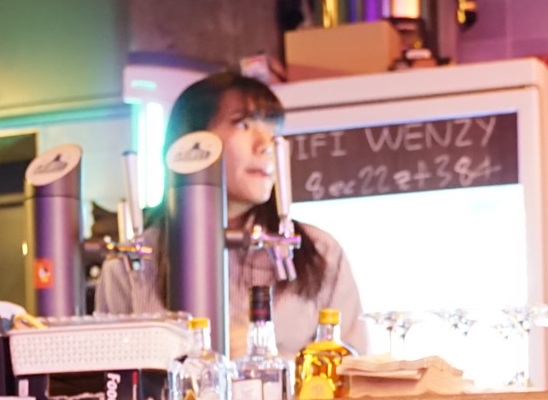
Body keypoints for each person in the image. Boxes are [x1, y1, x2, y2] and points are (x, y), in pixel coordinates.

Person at [96, 69, 365, 357]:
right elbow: (110, 374)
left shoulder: (320, 253)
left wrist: (268, 359)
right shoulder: (130, 266)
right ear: (191, 141)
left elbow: (355, 367)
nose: (265, 144)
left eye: (274, 130)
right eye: (244, 125)